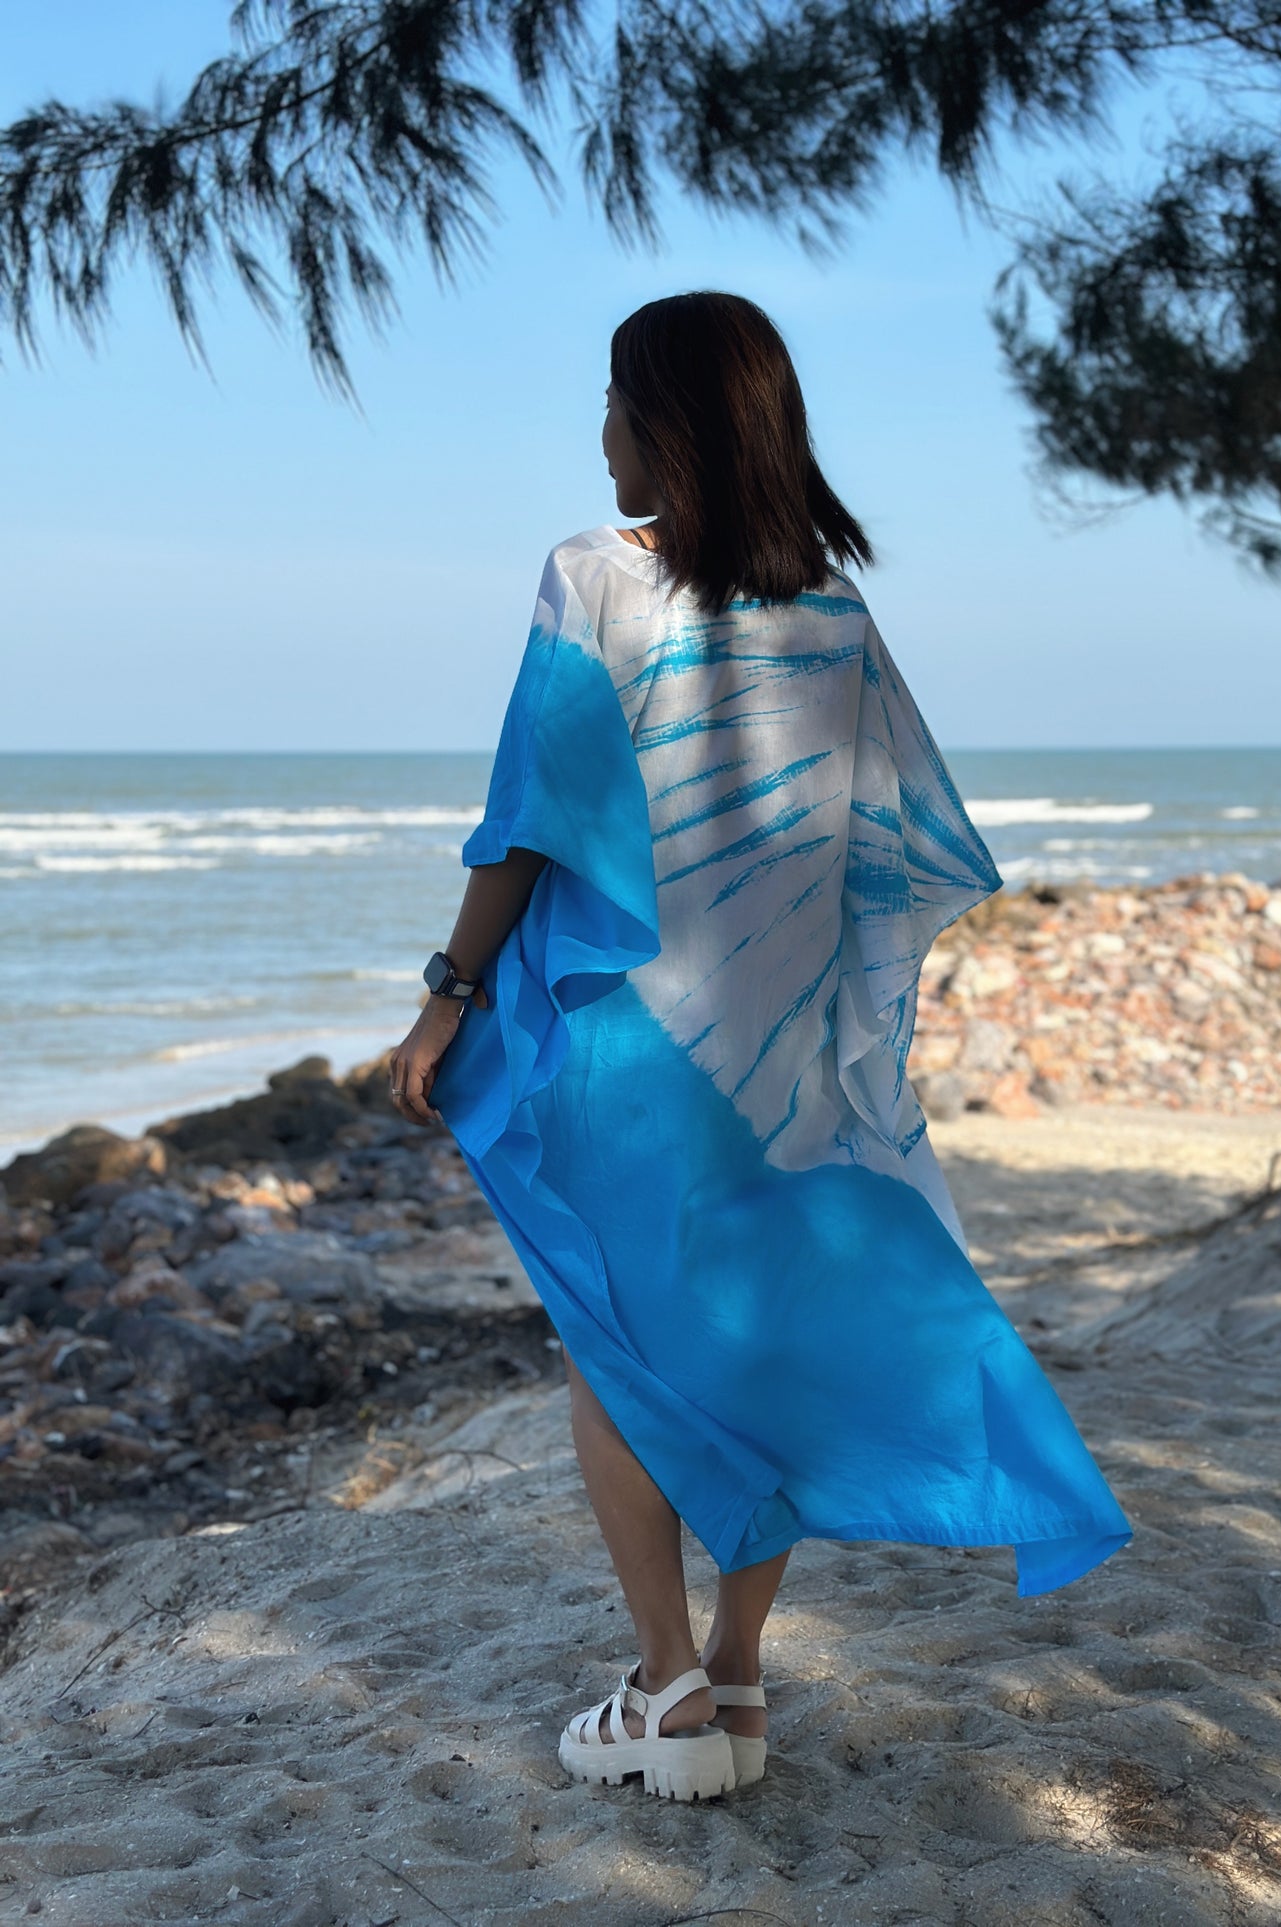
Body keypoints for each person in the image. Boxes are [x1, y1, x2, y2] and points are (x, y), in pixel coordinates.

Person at [388, 290, 1132, 1803]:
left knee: (616, 1344)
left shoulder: (593, 574)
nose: (597, 431)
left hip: (621, 1053)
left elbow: (535, 817)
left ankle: (665, 1688)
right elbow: (880, 848)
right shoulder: (838, 618)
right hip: (775, 1059)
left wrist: (447, 991)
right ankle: (734, 1686)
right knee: (750, 1343)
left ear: (667, 421)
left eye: (612, 398)